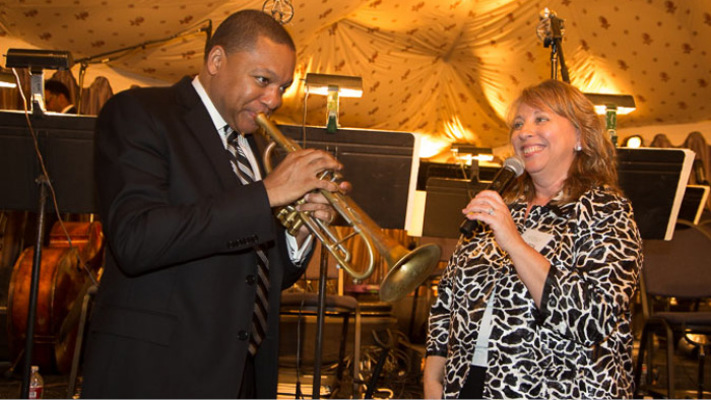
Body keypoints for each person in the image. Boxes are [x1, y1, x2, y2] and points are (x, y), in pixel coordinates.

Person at [81, 9, 347, 398]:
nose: (273, 99)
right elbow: (135, 239)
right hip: (156, 375)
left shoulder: (254, 145)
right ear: (216, 61)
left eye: (283, 87)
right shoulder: (138, 113)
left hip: (240, 376)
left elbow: (251, 274)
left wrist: (299, 234)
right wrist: (268, 194)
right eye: (263, 80)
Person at [423, 79, 643, 399]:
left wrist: (513, 242)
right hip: (470, 383)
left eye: (541, 119)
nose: (524, 131)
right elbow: (447, 300)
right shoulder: (500, 208)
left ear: (580, 137)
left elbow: (592, 319)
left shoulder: (606, 211)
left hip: (562, 390)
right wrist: (433, 380)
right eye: (517, 123)